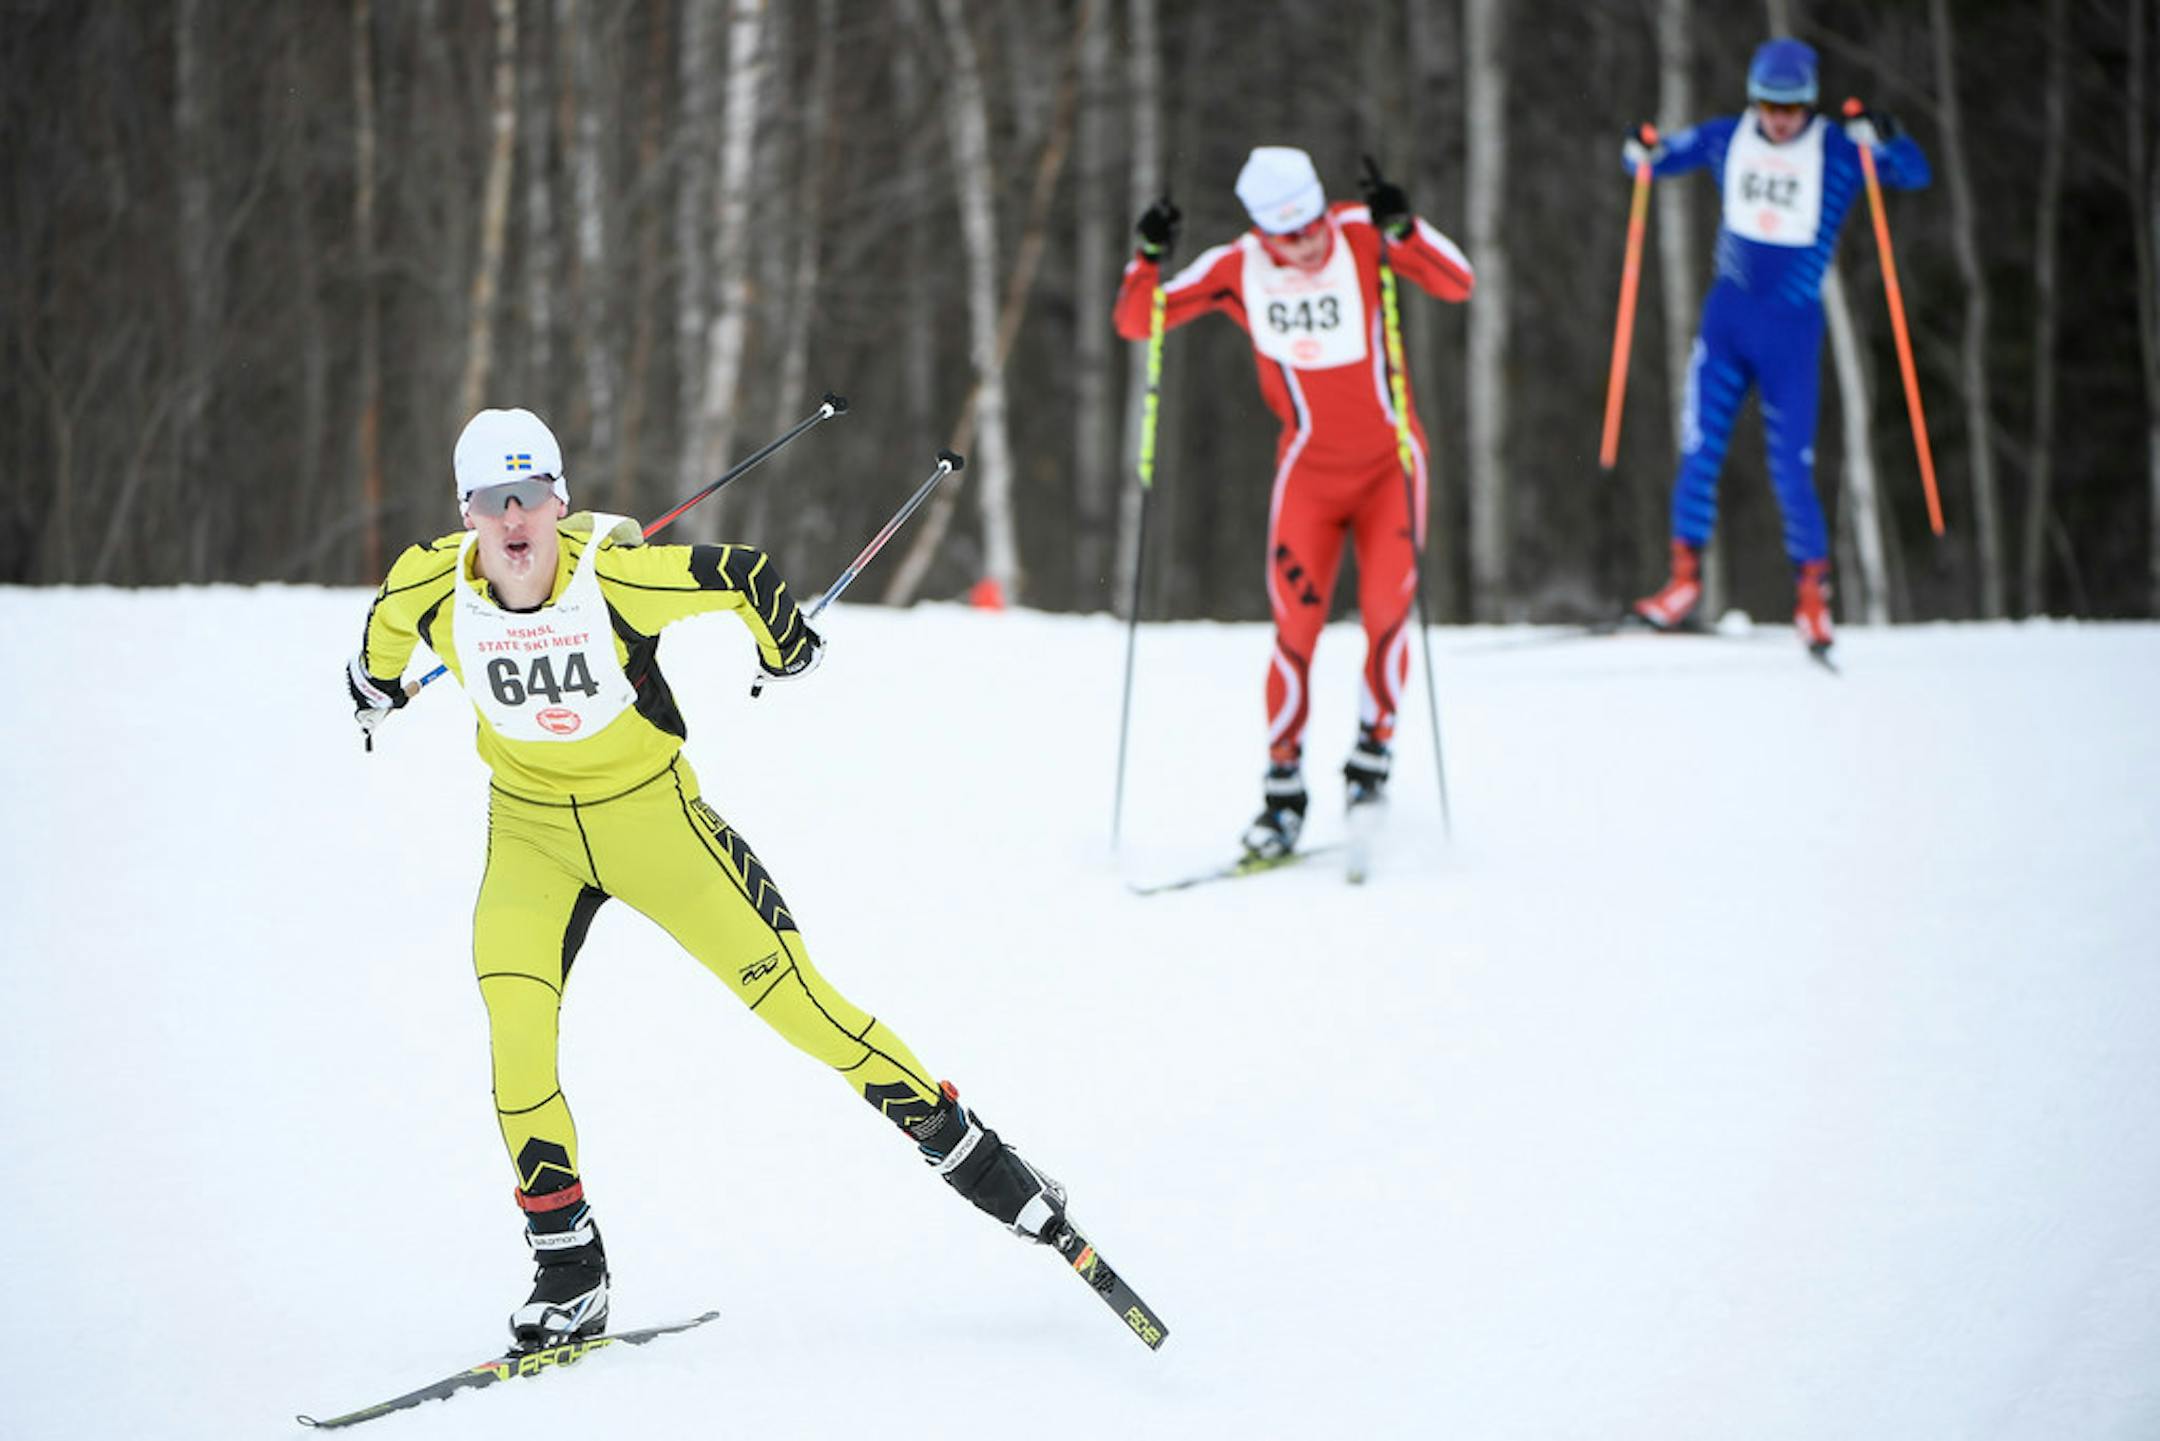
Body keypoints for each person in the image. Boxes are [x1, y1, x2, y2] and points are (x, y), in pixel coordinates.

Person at [345, 407, 1068, 1350]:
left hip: (655, 825)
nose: (515, 517)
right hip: (529, 838)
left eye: (532, 496)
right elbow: (380, 639)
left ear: (561, 502)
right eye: (493, 500)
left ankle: (988, 1166)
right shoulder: (432, 582)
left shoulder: (614, 572)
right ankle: (570, 1268)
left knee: (805, 1009)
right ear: (468, 514)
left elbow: (746, 576)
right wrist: (375, 684)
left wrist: (787, 648)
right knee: (515, 1038)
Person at [1112, 146, 1473, 860]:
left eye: (1313, 223)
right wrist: (1147, 256)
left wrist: (1405, 229)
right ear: (1263, 231)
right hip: (1307, 474)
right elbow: (1137, 321)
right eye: (1290, 234)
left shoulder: (1361, 234)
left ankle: (1370, 766)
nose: (1309, 243)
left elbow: (1457, 282)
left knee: (1385, 618)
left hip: (1390, 468)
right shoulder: (1236, 268)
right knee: (1295, 633)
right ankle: (1282, 793)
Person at [1625, 37, 1930, 657]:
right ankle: (1683, 582)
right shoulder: (1725, 138)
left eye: (1790, 107)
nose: (1777, 118)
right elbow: (1652, 161)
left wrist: (1888, 135)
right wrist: (1641, 148)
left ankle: (1812, 596)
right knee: (1698, 449)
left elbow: (1914, 172)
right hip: (1726, 324)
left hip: (1791, 332)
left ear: (1809, 105)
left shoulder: (1838, 151)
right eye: (1767, 104)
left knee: (1792, 467)